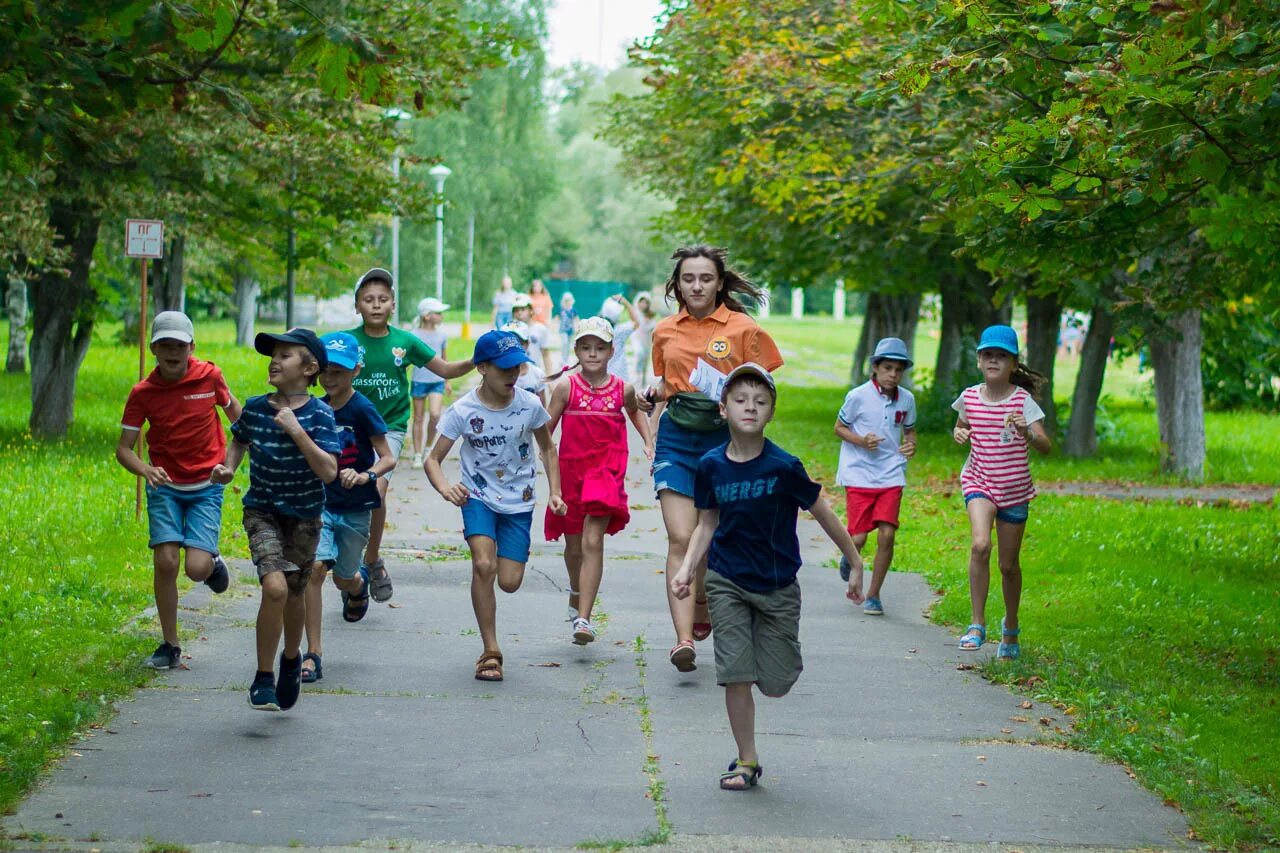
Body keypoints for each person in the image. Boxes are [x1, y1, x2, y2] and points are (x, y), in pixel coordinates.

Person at [670, 364, 863, 790]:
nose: (750, 407)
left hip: (777, 586)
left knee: (775, 683)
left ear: (771, 412)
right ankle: (747, 761)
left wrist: (855, 561)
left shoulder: (783, 466)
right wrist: (687, 570)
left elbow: (822, 511)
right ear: (723, 409)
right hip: (726, 580)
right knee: (735, 673)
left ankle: (763, 661)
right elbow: (706, 524)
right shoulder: (710, 466)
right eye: (740, 400)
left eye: (760, 401)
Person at [640, 245, 784, 673]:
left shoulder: (743, 328)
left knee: (711, 537)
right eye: (688, 279)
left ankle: (701, 596)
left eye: (705, 278)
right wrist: (654, 395)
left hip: (725, 444)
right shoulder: (665, 330)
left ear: (719, 282)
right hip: (677, 440)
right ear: (677, 285)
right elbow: (667, 383)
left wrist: (739, 403)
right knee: (681, 538)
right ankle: (683, 640)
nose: (697, 286)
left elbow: (765, 386)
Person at [424, 330, 567, 682]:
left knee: (510, 582)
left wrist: (555, 492)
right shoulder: (463, 410)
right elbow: (433, 460)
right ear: (482, 368)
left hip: (519, 502)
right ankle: (491, 650)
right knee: (483, 565)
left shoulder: (530, 404)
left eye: (517, 367)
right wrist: (446, 488)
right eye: (505, 368)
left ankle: (502, 566)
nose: (513, 374)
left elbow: (548, 448)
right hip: (478, 497)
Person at [211, 329, 341, 711]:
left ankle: (291, 658)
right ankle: (263, 675)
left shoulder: (320, 414)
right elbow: (239, 439)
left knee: (295, 594)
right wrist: (229, 469)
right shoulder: (254, 407)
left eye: (285, 355)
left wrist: (297, 431)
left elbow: (330, 470)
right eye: (273, 355)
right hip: (263, 511)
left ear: (309, 368)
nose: (275, 360)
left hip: (304, 517)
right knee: (276, 589)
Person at [115, 311, 242, 670]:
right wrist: (145, 469)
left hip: (206, 485)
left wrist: (230, 466)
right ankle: (170, 644)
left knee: (195, 569)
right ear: (153, 348)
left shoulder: (210, 377)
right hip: (166, 486)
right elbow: (123, 448)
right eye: (165, 345)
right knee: (166, 560)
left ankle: (212, 563)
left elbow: (240, 423)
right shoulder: (143, 393)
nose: (173, 352)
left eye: (180, 345)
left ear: (192, 347)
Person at [346, 268, 474, 605]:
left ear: (393, 305)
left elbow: (445, 369)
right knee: (342, 496)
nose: (376, 305)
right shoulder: (346, 341)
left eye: (382, 299)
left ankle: (371, 560)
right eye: (368, 299)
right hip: (346, 430)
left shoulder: (405, 342)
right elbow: (313, 362)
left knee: (375, 489)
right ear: (357, 305)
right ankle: (348, 570)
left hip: (388, 430)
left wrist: (479, 359)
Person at [544, 317, 654, 644]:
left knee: (593, 541)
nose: (593, 354)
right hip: (571, 472)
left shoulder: (623, 388)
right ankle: (576, 589)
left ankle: (584, 619)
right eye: (586, 347)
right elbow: (545, 431)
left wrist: (648, 441)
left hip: (606, 469)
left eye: (600, 348)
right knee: (574, 545)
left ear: (611, 351)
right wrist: (538, 459)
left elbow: (633, 410)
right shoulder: (566, 387)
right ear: (576, 350)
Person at [300, 333, 398, 684]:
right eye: (325, 370)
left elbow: (388, 457)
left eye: (339, 370)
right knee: (314, 570)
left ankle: (357, 586)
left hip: (356, 508)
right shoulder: (315, 408)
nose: (330, 377)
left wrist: (367, 473)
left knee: (343, 577)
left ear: (356, 370)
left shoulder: (362, 408)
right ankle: (313, 654)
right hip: (322, 504)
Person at [952, 325, 1051, 660]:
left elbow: (1046, 446)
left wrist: (1027, 433)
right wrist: (959, 433)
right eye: (987, 354)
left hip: (1014, 490)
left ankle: (1010, 627)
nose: (993, 360)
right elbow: (962, 424)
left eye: (1001, 356)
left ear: (1013, 364)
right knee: (980, 545)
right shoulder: (968, 397)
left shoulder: (1023, 402)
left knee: (1009, 566)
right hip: (979, 481)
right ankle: (977, 624)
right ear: (979, 360)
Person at [833, 337, 917, 614]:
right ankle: (850, 556)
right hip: (859, 474)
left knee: (887, 535)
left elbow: (910, 431)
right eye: (888, 368)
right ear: (876, 368)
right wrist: (860, 441)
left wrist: (910, 445)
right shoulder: (858, 396)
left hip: (891, 474)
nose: (893, 374)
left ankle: (874, 594)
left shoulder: (907, 399)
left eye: (898, 369)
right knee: (857, 539)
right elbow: (839, 428)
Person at [410, 296, 451, 468]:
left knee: (435, 415)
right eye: (438, 313)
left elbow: (445, 360)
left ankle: (428, 448)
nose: (441, 316)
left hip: (437, 381)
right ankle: (417, 454)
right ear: (427, 316)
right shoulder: (413, 335)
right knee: (418, 418)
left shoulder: (442, 335)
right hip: (419, 381)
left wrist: (447, 381)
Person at [501, 320, 548, 405]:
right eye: (507, 343)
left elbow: (542, 410)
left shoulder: (537, 374)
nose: (512, 348)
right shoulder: (495, 374)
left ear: (527, 344)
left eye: (517, 342)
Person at [599, 294, 642, 383]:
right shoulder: (620, 330)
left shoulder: (597, 328)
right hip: (619, 374)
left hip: (600, 374)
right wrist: (626, 303)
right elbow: (636, 322)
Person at [511, 292, 552, 374]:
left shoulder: (540, 329)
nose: (519, 313)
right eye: (516, 310)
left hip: (534, 375)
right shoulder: (509, 330)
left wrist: (549, 377)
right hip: (515, 375)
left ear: (531, 310)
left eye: (523, 309)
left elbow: (546, 354)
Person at [633, 293, 659, 386]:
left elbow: (654, 328)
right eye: (642, 302)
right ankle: (637, 376)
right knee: (639, 353)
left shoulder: (651, 315)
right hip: (637, 339)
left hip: (646, 340)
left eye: (645, 302)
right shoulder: (635, 314)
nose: (643, 304)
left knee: (645, 359)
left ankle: (643, 379)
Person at [557, 291, 579, 367]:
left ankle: (565, 359)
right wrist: (552, 326)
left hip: (570, 330)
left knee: (568, 345)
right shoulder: (561, 309)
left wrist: (578, 327)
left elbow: (576, 319)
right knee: (565, 343)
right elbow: (557, 318)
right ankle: (563, 359)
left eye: (569, 300)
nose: (568, 302)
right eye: (566, 300)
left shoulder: (573, 310)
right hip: (563, 330)